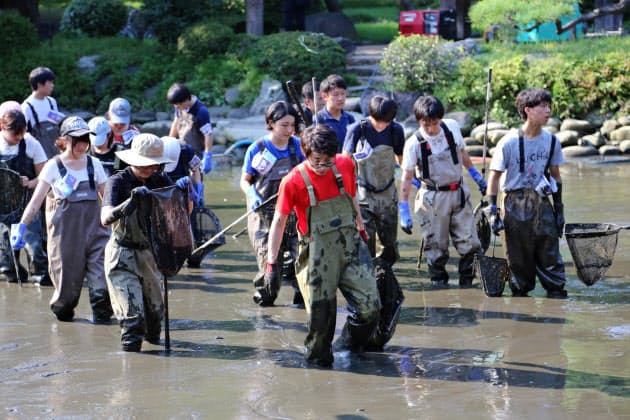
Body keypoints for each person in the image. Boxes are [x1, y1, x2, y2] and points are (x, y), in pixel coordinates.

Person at [265, 124, 380, 367]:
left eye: (328, 161)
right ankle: (318, 369)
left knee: (371, 307)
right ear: (306, 153)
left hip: (350, 246)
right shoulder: (293, 181)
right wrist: (270, 264)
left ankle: (347, 346)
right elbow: (278, 223)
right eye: (317, 160)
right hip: (317, 256)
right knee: (321, 321)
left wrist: (361, 228)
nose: (322, 166)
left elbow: (352, 199)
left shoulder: (346, 165)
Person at [11, 116, 113, 323]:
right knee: (66, 299)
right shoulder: (53, 167)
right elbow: (36, 201)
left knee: (101, 288)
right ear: (65, 139)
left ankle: (104, 330)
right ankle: (65, 327)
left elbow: (108, 199)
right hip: (65, 240)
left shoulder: (95, 164)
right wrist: (21, 226)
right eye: (79, 139)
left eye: (86, 139)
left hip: (97, 236)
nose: (83, 144)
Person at [100, 133, 190, 351]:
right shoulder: (117, 182)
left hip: (150, 254)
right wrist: (128, 204)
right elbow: (104, 218)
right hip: (122, 254)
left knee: (154, 320)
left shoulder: (160, 179)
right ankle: (131, 372)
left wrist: (183, 195)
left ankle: (157, 373)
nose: (150, 169)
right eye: (145, 165)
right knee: (133, 320)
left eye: (154, 165)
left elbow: (180, 218)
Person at [398, 95, 487, 287]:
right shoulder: (413, 144)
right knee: (437, 247)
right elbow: (406, 178)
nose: (430, 128)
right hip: (432, 198)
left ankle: (466, 284)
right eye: (425, 124)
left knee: (471, 243)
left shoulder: (452, 127)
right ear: (419, 121)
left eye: (434, 123)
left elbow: (462, 152)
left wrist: (475, 175)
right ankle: (438, 285)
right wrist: (403, 209)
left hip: (459, 192)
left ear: (441, 118)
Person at [486, 88, 567, 298]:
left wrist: (559, 210)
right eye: (543, 106)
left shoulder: (552, 141)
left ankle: (557, 299)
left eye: (549, 106)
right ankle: (521, 304)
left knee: (551, 256)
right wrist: (493, 211)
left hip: (542, 203)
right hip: (514, 203)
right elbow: (494, 178)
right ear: (528, 110)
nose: (548, 111)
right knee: (518, 261)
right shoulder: (509, 142)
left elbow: (556, 177)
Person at [240, 101, 305, 306]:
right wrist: (252, 194)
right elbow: (245, 180)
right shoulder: (257, 149)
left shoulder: (298, 146)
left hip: (293, 214)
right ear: (271, 123)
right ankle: (266, 305)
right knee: (270, 266)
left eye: (292, 125)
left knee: (302, 261)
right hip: (263, 217)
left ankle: (302, 301)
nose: (289, 130)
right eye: (284, 125)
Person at [342, 95, 405, 266]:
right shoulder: (357, 129)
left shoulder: (396, 130)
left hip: (388, 192)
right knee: (365, 241)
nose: (381, 125)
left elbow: (402, 160)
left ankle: (385, 272)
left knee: (389, 243)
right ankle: (368, 275)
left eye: (385, 122)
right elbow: (345, 161)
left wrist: (413, 178)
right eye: (377, 121)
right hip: (363, 194)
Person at [0, 104, 48, 284]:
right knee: (7, 261)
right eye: (15, 134)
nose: (19, 137)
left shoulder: (31, 144)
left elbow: (45, 176)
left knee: (34, 250)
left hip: (27, 203)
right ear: (2, 127)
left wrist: (31, 182)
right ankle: (13, 275)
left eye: (22, 133)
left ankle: (41, 278)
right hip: (3, 208)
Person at [167, 83, 214, 174]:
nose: (177, 108)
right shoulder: (180, 106)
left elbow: (208, 134)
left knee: (195, 179)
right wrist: (169, 141)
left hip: (196, 153)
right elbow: (176, 123)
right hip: (182, 148)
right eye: (175, 106)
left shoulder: (201, 111)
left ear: (187, 100)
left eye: (178, 106)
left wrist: (207, 155)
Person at [21, 67, 64, 159]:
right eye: (50, 83)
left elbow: (57, 126)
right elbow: (23, 135)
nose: (53, 86)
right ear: (39, 84)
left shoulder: (51, 102)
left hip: (56, 152)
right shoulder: (26, 107)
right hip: (38, 157)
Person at [316, 74, 356, 152]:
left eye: (343, 93)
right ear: (324, 96)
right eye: (336, 94)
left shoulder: (349, 118)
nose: (340, 98)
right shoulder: (318, 119)